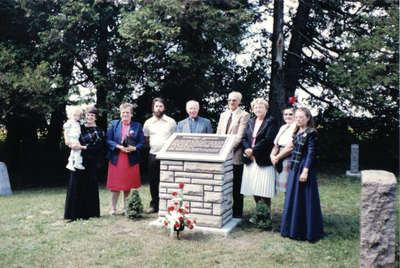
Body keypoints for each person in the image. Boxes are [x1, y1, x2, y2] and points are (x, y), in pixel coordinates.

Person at [280, 107, 324, 242]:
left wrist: (305, 170)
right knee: (293, 197)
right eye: (297, 117)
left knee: (304, 198)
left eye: (301, 117)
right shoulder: (296, 131)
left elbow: (311, 153)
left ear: (308, 118)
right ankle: (292, 229)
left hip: (304, 168)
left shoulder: (312, 133)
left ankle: (306, 231)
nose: (298, 119)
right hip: (294, 167)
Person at [64, 106, 105, 221]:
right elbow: (70, 136)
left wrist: (82, 147)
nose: (89, 117)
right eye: (88, 115)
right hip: (78, 159)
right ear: (85, 116)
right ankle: (73, 214)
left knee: (89, 186)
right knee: (75, 186)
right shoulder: (79, 127)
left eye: (92, 115)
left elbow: (98, 147)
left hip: (91, 161)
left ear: (95, 117)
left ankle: (90, 213)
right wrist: (70, 144)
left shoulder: (100, 130)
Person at [106, 103, 145, 215]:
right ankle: (113, 208)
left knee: (127, 185)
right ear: (120, 113)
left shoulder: (137, 126)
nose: (125, 114)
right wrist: (118, 147)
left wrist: (135, 148)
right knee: (115, 185)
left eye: (127, 112)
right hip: (117, 158)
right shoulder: (114, 124)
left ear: (131, 114)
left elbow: (142, 142)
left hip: (131, 158)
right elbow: (108, 140)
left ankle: (125, 208)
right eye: (123, 112)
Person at [216, 91, 250, 218]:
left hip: (235, 155)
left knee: (236, 185)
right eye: (229, 100)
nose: (231, 102)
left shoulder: (244, 115)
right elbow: (219, 134)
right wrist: (219, 151)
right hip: (222, 156)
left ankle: (237, 213)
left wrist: (226, 151)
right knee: (223, 184)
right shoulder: (223, 115)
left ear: (239, 102)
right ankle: (225, 210)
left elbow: (239, 137)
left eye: (234, 100)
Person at [240, 98, 278, 210]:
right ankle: (259, 213)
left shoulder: (271, 121)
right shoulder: (250, 121)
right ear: (252, 109)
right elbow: (244, 137)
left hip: (263, 159)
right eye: (255, 107)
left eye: (261, 107)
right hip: (250, 159)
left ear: (266, 108)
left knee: (264, 189)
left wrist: (253, 150)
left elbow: (268, 139)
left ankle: (266, 216)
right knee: (254, 188)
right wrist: (247, 149)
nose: (258, 109)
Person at [143, 97, 176, 213]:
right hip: (153, 155)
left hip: (168, 156)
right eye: (156, 106)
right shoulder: (148, 123)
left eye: (160, 106)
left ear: (164, 108)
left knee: (168, 181)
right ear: (153, 108)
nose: (158, 108)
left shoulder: (171, 122)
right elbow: (146, 139)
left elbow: (175, 139)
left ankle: (169, 204)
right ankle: (154, 205)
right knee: (153, 181)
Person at [270, 107, 296, 192]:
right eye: (285, 114)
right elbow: (276, 144)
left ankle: (289, 205)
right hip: (278, 156)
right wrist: (272, 156)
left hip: (287, 157)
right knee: (283, 187)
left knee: (288, 187)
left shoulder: (296, 127)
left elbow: (290, 147)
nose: (288, 116)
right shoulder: (283, 127)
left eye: (290, 114)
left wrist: (277, 158)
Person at [63, 106, 85, 171]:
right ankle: (73, 163)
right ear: (70, 115)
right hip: (71, 139)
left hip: (76, 139)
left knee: (76, 151)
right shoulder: (69, 122)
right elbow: (66, 132)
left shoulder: (77, 123)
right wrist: (66, 139)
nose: (76, 117)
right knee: (76, 150)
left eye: (78, 116)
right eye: (74, 115)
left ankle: (75, 163)